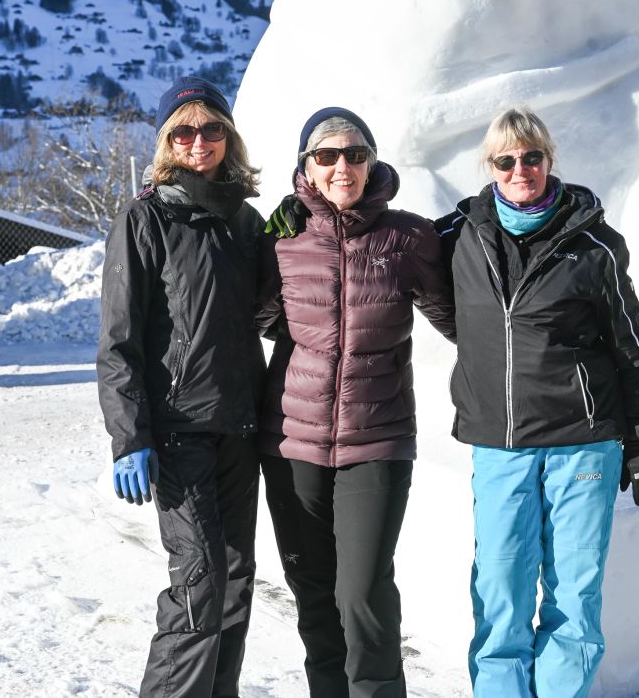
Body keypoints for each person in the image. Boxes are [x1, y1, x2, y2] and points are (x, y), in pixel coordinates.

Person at [434, 106, 639, 698]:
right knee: (500, 590)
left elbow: (632, 346)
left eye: (531, 156)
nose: (520, 169)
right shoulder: (457, 234)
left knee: (573, 596)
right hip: (499, 443)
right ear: (489, 167)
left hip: (582, 442)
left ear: (549, 160)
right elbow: (379, 245)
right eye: (506, 160)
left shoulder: (594, 245)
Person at [256, 106, 456, 697]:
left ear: (372, 162)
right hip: (292, 439)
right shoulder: (282, 240)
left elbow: (459, 320)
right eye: (327, 155)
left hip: (379, 437)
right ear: (307, 169)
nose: (342, 166)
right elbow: (246, 319)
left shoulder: (406, 237)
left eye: (355, 154)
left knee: (362, 591)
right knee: (315, 591)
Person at [97, 76, 266, 697]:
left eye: (212, 129)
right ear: (168, 142)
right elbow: (119, 340)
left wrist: (299, 232)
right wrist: (129, 436)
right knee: (198, 582)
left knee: (235, 582)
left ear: (229, 137)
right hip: (177, 434)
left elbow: (272, 313)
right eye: (185, 131)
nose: (201, 142)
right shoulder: (145, 218)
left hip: (239, 432)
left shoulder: (246, 223)